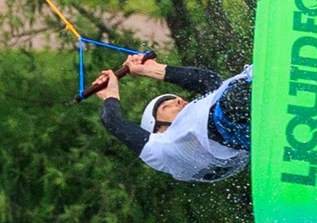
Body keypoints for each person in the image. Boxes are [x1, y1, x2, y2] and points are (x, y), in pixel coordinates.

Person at [88, 52, 253, 181]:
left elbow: (206, 79)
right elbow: (113, 121)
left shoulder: (200, 113)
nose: (179, 100)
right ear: (159, 130)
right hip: (234, 117)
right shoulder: (163, 147)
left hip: (239, 107)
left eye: (175, 98)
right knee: (230, 104)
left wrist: (150, 69)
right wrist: (110, 95)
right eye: (165, 107)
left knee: (226, 90)